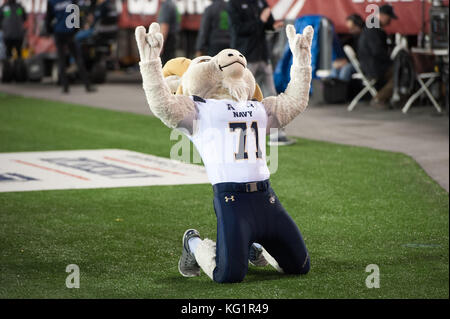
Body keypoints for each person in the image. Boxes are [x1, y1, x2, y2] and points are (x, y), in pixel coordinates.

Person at [227, 0, 293, 146]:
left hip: (263, 55)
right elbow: (238, 29)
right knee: (242, 97)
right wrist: (260, 21)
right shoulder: (234, 4)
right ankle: (239, 134)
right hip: (245, 57)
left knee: (272, 95)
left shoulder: (261, 2)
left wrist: (272, 25)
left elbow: (268, 24)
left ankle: (277, 134)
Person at [46, 0, 95, 93]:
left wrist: (51, 31)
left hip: (59, 32)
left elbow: (48, 19)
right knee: (78, 58)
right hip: (69, 33)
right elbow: (76, 12)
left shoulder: (52, 2)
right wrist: (76, 29)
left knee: (62, 60)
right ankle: (87, 85)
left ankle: (65, 87)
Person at [357, 4, 397, 109]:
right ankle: (379, 98)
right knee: (401, 72)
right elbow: (377, 51)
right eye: (389, 18)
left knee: (398, 70)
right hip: (373, 66)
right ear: (383, 15)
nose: (390, 22)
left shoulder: (372, 26)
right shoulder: (373, 28)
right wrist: (391, 61)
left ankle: (386, 97)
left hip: (371, 64)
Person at [330, 14, 363, 82]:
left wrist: (346, 61)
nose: (350, 31)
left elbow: (361, 54)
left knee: (346, 69)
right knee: (334, 67)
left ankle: (341, 90)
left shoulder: (365, 37)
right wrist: (342, 61)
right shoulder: (354, 37)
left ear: (358, 26)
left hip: (362, 63)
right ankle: (333, 90)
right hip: (352, 61)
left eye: (352, 28)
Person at [157, 0, 180, 65]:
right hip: (172, 38)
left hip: (167, 40)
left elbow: (164, 26)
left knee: (165, 66)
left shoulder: (166, 6)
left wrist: (161, 45)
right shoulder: (172, 4)